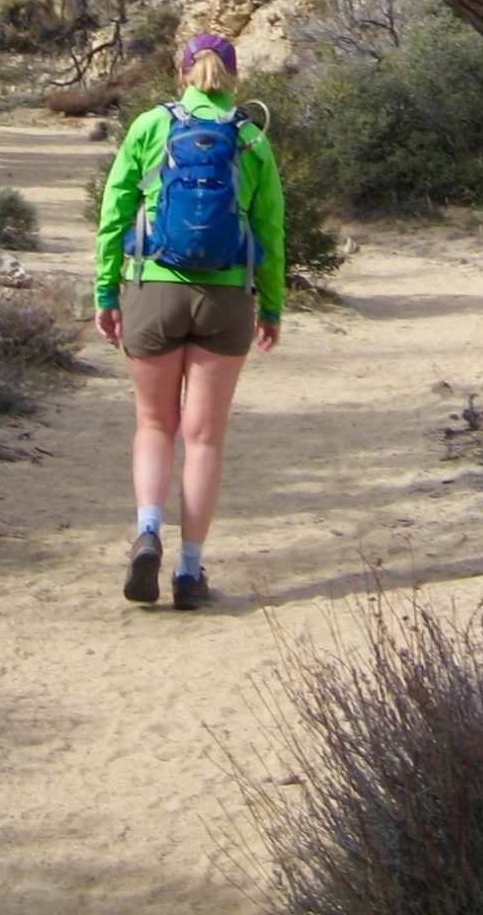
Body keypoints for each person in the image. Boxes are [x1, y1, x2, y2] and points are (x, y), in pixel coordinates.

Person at [95, 32, 285, 610]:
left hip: (154, 289)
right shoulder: (252, 138)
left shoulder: (151, 127)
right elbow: (271, 232)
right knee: (204, 438)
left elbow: (115, 209)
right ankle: (189, 570)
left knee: (155, 425)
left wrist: (107, 288)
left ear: (181, 75)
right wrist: (271, 306)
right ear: (234, 78)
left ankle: (148, 529)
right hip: (226, 298)